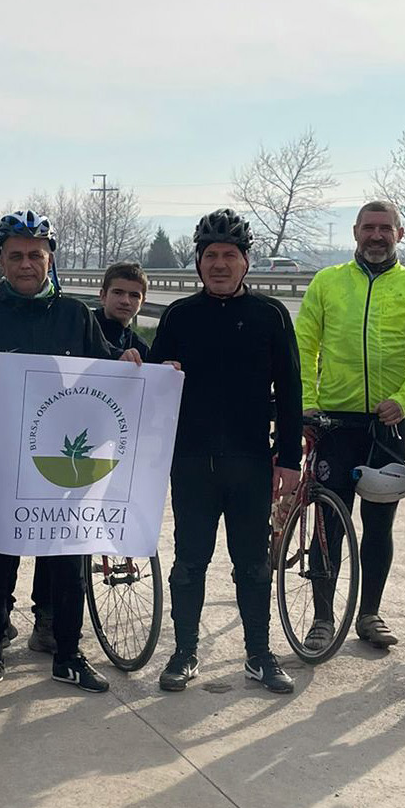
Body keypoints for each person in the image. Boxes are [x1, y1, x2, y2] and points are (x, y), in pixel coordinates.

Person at [0, 211, 142, 698]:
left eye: (35, 254)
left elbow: (105, 374)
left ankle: (68, 654)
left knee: (67, 560)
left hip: (63, 465)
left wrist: (126, 364)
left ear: (49, 258)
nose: (26, 264)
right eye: (15, 255)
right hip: (3, 464)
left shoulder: (75, 315)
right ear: (0, 260)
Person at [148, 209, 302, 694]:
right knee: (190, 560)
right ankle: (184, 653)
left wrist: (290, 459)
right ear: (197, 263)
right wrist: (156, 367)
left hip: (252, 461)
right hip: (191, 460)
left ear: (245, 261)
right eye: (210, 255)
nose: (219, 263)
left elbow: (293, 391)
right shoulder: (178, 316)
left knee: (253, 562)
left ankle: (259, 655)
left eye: (229, 255)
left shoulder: (271, 315)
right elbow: (151, 387)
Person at [295, 199, 405, 649]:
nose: (376, 236)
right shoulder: (328, 282)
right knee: (329, 522)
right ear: (355, 232)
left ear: (399, 234)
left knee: (379, 525)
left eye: (385, 228)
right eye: (368, 228)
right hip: (334, 422)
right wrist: (306, 404)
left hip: (389, 425)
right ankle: (324, 619)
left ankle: (370, 614)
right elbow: (305, 345)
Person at [27, 260, 151, 654]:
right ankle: (44, 615)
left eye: (134, 295)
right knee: (56, 537)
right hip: (64, 444)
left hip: (110, 449)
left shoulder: (141, 347)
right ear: (102, 295)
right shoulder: (80, 328)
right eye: (118, 293)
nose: (126, 301)